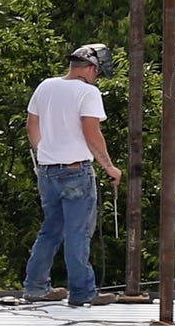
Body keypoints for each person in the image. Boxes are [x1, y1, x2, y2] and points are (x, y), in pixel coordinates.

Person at [21, 43, 122, 306]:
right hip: (76, 171)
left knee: (51, 230)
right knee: (78, 233)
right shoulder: (87, 92)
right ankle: (82, 293)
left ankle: (35, 287)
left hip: (47, 171)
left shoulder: (46, 86)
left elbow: (32, 125)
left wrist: (45, 152)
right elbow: (92, 132)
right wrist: (109, 167)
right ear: (91, 68)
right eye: (97, 72)